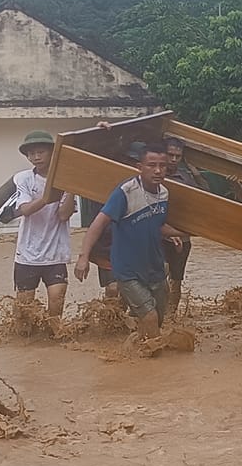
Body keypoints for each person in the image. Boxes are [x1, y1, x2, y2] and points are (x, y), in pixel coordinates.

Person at [75, 141, 184, 341]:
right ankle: (153, 367)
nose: (158, 170)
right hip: (127, 270)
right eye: (152, 165)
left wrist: (173, 234)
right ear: (139, 168)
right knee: (149, 316)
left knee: (158, 318)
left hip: (155, 267)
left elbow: (156, 224)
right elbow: (98, 224)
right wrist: (83, 257)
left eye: (162, 165)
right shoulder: (125, 192)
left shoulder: (164, 193)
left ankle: (136, 350)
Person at [8, 129, 76, 319]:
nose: (35, 157)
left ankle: (52, 340)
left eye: (40, 152)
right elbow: (26, 210)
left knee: (56, 302)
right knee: (24, 308)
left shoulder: (65, 181)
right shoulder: (24, 178)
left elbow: (64, 215)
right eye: (31, 153)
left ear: (52, 153)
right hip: (27, 255)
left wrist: (70, 188)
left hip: (56, 254)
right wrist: (48, 197)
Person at [163, 134, 197, 304]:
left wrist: (195, 172)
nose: (174, 159)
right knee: (161, 274)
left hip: (182, 236)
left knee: (176, 280)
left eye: (178, 156)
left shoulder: (187, 178)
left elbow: (203, 197)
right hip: (158, 236)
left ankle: (172, 319)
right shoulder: (153, 176)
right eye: (170, 155)